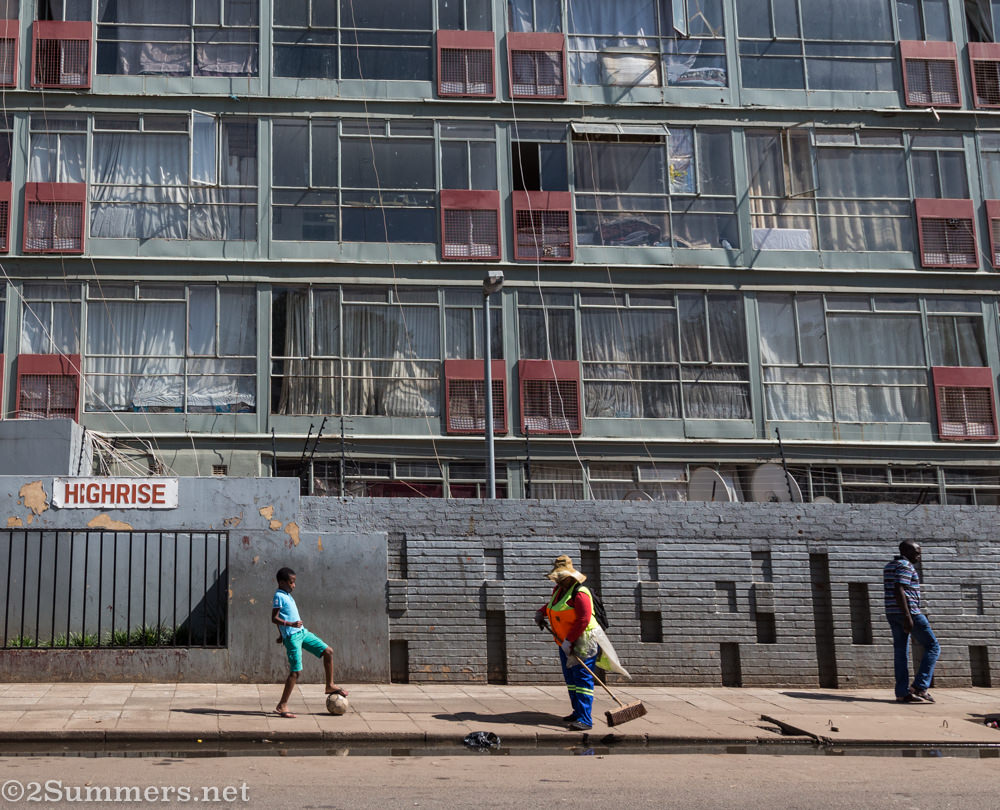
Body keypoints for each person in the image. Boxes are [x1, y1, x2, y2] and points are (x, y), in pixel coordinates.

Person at [535, 555, 600, 731]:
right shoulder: (558, 590)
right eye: (558, 577)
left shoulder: (580, 593)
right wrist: (541, 613)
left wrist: (570, 641)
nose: (559, 580)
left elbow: (583, 619)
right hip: (564, 641)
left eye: (561, 577)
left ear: (570, 576)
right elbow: (552, 606)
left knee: (582, 679)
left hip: (583, 642)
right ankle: (577, 712)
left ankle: (585, 719)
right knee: (571, 679)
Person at [272, 567, 348, 718]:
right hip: (293, 637)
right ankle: (282, 705)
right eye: (291, 582)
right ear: (282, 582)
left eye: (294, 582)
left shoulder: (287, 594)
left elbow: (281, 619)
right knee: (296, 672)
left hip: (302, 633)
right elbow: (274, 618)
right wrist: (289, 626)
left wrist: (281, 633)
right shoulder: (278, 595)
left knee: (328, 651)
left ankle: (329, 685)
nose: (294, 585)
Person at [883, 541, 940, 704]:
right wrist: (908, 617)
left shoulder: (889, 565)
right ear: (906, 551)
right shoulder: (905, 566)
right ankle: (920, 687)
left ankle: (902, 693)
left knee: (901, 652)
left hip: (892, 613)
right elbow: (899, 589)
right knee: (933, 646)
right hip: (910, 613)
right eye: (916, 552)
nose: (919, 556)